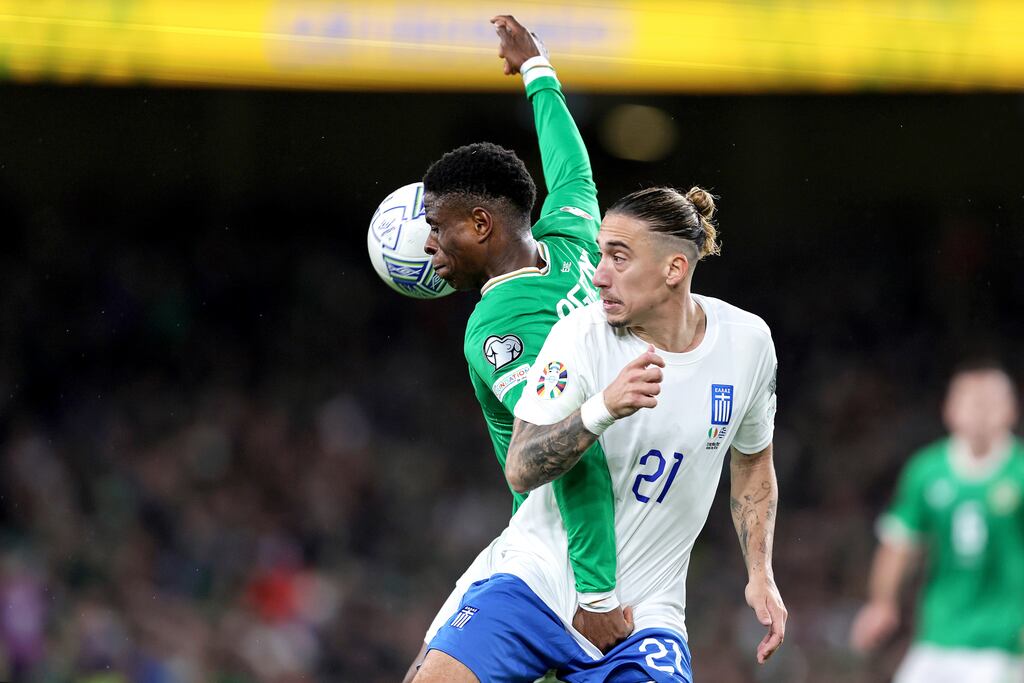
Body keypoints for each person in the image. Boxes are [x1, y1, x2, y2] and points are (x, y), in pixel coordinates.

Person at [415, 186, 788, 681]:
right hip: (538, 580)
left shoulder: (748, 343)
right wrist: (602, 409)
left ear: (674, 269)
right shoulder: (579, 335)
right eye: (599, 255)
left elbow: (752, 460)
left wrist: (760, 572)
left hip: (646, 614)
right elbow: (522, 466)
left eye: (618, 257)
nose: (598, 276)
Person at [403, 14, 629, 680]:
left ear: (481, 223)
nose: (428, 245)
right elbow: (573, 169)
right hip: (565, 537)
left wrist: (596, 591)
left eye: (438, 228)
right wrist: (538, 71)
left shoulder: (498, 325)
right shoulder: (576, 241)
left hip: (564, 549)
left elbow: (563, 449)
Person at [850, 362, 1024, 683]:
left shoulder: (1019, 473)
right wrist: (881, 603)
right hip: (937, 635)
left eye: (989, 403)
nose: (979, 413)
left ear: (1010, 411)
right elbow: (900, 543)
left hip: (1001, 639)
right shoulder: (927, 471)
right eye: (971, 402)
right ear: (950, 410)